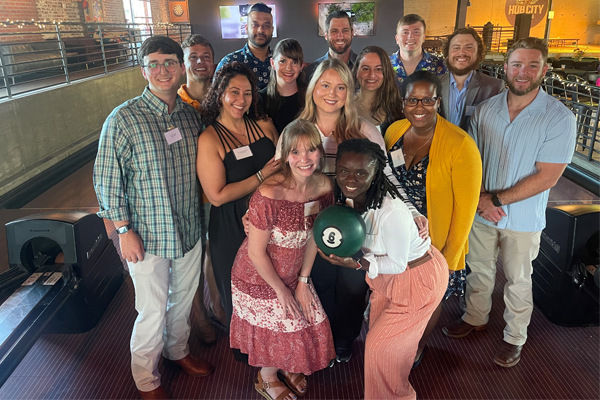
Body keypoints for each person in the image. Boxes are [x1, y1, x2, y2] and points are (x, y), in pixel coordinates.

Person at [443, 38, 577, 368]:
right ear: (505, 68)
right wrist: (481, 202)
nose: (523, 72)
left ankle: (514, 337)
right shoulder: (487, 109)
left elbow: (548, 177)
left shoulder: (559, 118)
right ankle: (476, 317)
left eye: (532, 65)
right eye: (517, 64)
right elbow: (470, 162)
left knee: (519, 279)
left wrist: (495, 199)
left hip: (523, 217)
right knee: (481, 269)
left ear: (544, 70)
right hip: (483, 210)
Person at [93, 36, 214, 400]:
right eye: (154, 64)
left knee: (184, 299)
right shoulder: (124, 119)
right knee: (151, 310)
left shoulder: (192, 117)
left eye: (169, 63)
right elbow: (107, 181)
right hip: (146, 236)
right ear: (143, 70)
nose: (162, 71)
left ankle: (178, 352)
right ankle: (146, 378)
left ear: (181, 68)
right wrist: (123, 230)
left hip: (189, 229)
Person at [295, 58, 427, 363]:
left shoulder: (363, 128)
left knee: (353, 285)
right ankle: (321, 337)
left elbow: (387, 174)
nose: (332, 93)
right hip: (311, 219)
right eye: (325, 85)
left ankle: (345, 338)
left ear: (349, 92)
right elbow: (280, 172)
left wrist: (412, 210)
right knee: (320, 280)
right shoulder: (298, 128)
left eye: (341, 87)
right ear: (313, 88)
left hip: (358, 220)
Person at [318, 138, 447, 400]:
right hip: (387, 279)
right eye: (344, 171)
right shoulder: (350, 199)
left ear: (375, 173)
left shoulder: (392, 212)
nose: (350, 179)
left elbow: (397, 264)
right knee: (388, 351)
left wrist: (354, 263)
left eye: (361, 172)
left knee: (378, 349)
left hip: (416, 278)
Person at [231, 119, 335, 400]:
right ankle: (266, 378)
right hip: (258, 273)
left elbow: (315, 235)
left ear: (320, 152)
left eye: (311, 150)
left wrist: (303, 281)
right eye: (296, 152)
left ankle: (286, 366)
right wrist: (281, 291)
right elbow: (255, 253)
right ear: (285, 156)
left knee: (306, 319)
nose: (304, 159)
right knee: (283, 323)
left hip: (295, 269)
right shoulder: (269, 193)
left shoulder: (324, 186)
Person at [385, 70, 482, 367]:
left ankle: (416, 346)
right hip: (397, 236)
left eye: (428, 100)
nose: (420, 107)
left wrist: (450, 256)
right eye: (413, 100)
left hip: (435, 243)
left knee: (428, 301)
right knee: (399, 293)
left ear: (438, 102)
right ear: (403, 102)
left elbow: (466, 211)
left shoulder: (460, 144)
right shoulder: (394, 131)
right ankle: (393, 338)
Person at [197, 62, 280, 355]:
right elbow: (217, 195)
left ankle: (277, 348)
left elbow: (283, 166)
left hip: (272, 219)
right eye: (234, 92)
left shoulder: (264, 124)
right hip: (232, 224)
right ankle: (250, 352)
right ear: (220, 93)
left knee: (274, 284)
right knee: (241, 290)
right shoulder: (210, 138)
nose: (240, 100)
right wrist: (261, 177)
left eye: (247, 93)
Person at [178, 33, 226, 343]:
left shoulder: (220, 99)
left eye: (206, 56)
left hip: (217, 192)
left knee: (215, 251)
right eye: (193, 56)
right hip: (184, 194)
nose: (200, 62)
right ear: (184, 63)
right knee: (191, 258)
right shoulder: (174, 101)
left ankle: (219, 307)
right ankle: (199, 316)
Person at [439, 27, 505, 131]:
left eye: (468, 47)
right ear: (447, 53)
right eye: (456, 47)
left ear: (478, 53)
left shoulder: (494, 88)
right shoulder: (433, 84)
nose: (461, 52)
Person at [216, 2, 274, 90]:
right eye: (255, 25)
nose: (261, 30)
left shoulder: (281, 62)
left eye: (266, 26)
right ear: (246, 28)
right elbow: (216, 97)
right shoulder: (230, 62)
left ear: (272, 30)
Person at [352, 45, 404, 135]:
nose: (372, 75)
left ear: (386, 72)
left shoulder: (397, 107)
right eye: (365, 69)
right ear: (357, 71)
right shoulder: (343, 104)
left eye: (378, 69)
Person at [259, 38, 307, 134]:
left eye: (294, 62)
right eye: (283, 61)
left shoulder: (310, 96)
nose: (288, 68)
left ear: (301, 66)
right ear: (272, 63)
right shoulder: (260, 99)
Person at [390, 14, 446, 87]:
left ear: (423, 37)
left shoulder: (439, 65)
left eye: (416, 32)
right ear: (397, 39)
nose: (410, 36)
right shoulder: (385, 65)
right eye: (405, 32)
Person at [304, 10, 358, 80]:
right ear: (326, 35)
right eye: (334, 31)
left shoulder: (363, 67)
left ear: (352, 33)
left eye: (345, 30)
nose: (340, 36)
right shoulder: (312, 71)